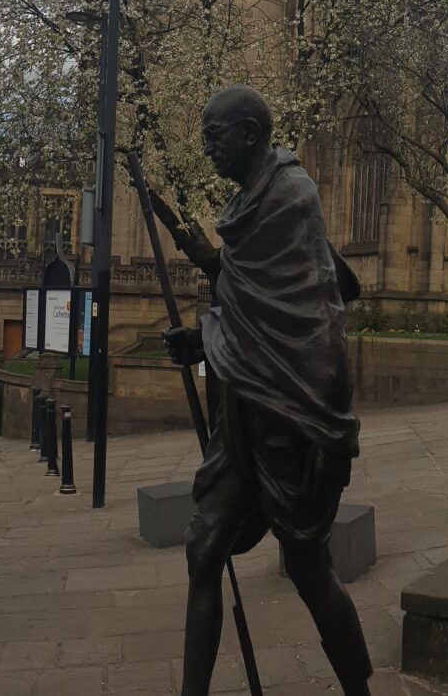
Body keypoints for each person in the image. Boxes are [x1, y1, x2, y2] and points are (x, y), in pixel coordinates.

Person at [161, 85, 371, 696]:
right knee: (203, 548)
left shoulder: (292, 197)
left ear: (251, 134)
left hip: (290, 418)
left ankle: (359, 690)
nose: (207, 149)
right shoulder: (246, 203)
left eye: (214, 136)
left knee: (309, 568)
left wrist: (331, 425)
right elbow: (249, 310)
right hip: (242, 418)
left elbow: (312, 317)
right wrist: (202, 339)